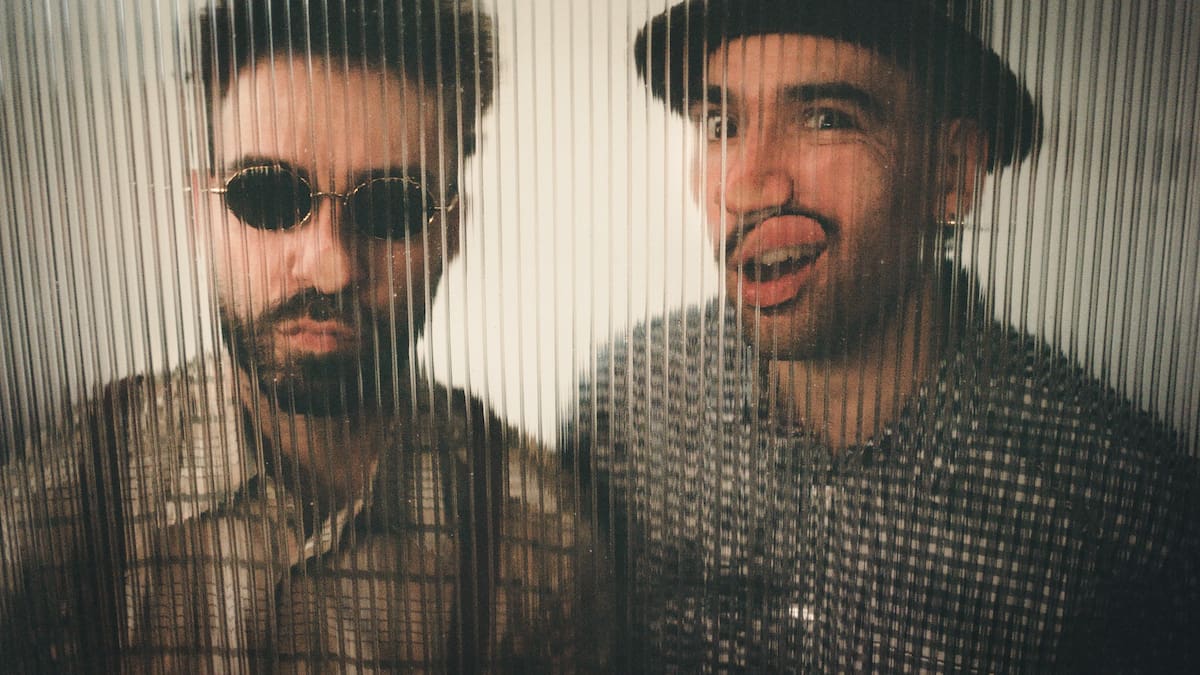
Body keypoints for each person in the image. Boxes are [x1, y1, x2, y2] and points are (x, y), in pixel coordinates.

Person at [567, 0, 1199, 671]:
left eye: (827, 119)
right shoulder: (629, 402)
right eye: (721, 125)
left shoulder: (1120, 499)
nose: (746, 188)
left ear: (949, 172)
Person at [1, 0, 609, 671]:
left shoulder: (543, 545)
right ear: (201, 213)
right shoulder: (49, 516)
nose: (330, 266)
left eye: (393, 205)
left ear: (451, 233)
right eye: (268, 196)